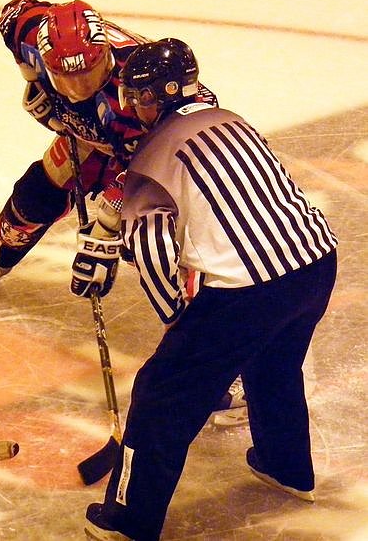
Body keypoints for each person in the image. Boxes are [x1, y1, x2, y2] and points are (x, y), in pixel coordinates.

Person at [77, 38, 338, 540]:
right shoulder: (231, 119)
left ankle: (129, 520)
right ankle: (286, 467)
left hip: (249, 292)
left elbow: (152, 250)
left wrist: (175, 315)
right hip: (315, 263)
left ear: (156, 95)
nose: (133, 106)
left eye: (137, 96)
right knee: (274, 365)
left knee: (160, 393)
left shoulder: (152, 156)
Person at [0, 0, 243, 425]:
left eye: (88, 74)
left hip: (156, 159)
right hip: (98, 137)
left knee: (160, 248)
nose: (78, 88)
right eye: (66, 78)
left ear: (106, 56)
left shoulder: (141, 94)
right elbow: (15, 13)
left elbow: (145, 168)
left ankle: (219, 359)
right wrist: (34, 81)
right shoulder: (31, 33)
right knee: (37, 192)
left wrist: (107, 221)